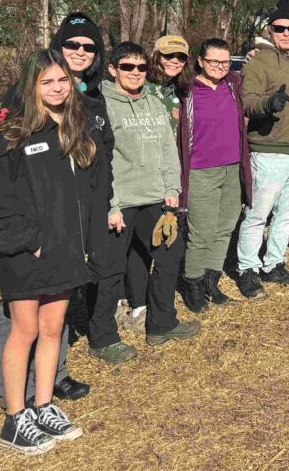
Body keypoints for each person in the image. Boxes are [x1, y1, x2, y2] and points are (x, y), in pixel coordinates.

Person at [0, 50, 109, 453]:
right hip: (27, 253)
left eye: (63, 80)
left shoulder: (75, 131)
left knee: (53, 329)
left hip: (65, 250)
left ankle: (44, 405)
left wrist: (85, 240)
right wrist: (29, 241)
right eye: (47, 81)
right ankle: (15, 418)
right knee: (25, 330)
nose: (57, 88)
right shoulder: (11, 136)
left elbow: (87, 195)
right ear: (31, 86)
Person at [0, 12, 109, 409]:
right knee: (21, 320)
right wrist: (26, 236)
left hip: (67, 231)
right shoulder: (22, 101)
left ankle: (52, 381)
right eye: (72, 44)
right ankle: (16, 396)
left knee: (53, 320)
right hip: (31, 237)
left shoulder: (89, 101)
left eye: (88, 46)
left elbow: (98, 163)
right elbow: (4, 175)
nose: (80, 51)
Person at [89, 42, 200, 362]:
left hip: (155, 198)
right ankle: (102, 338)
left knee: (170, 254)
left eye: (141, 67)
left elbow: (167, 147)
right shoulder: (101, 104)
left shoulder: (153, 101)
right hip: (120, 202)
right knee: (110, 270)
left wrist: (172, 188)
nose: (135, 73)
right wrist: (110, 204)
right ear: (113, 69)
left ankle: (162, 323)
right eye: (127, 67)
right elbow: (98, 160)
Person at [237, 0, 289, 296]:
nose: (285, 33)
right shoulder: (259, 61)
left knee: (288, 213)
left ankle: (274, 264)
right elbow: (247, 100)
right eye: (280, 28)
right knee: (258, 214)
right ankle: (247, 269)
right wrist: (268, 104)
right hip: (269, 151)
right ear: (270, 30)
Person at [119, 34, 194, 332]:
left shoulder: (174, 90)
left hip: (164, 176)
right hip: (138, 180)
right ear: (156, 57)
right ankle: (135, 305)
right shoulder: (142, 87)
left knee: (151, 244)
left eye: (180, 57)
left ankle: (144, 306)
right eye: (168, 56)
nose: (174, 61)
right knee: (143, 247)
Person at [177, 38, 251, 311]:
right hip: (200, 171)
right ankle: (193, 283)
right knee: (202, 231)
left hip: (232, 168)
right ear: (200, 61)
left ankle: (211, 279)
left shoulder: (234, 84)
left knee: (225, 227)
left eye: (225, 62)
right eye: (214, 61)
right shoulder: (186, 90)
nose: (220, 66)